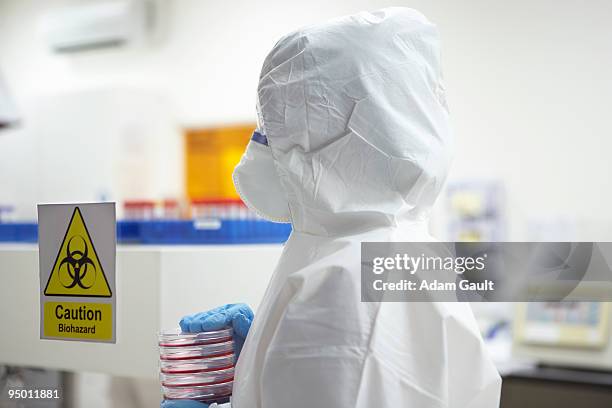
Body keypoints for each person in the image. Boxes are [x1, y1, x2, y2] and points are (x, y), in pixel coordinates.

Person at [163, 7, 501, 408]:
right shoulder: (384, 248)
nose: (260, 141)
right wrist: (262, 359)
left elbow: (350, 369)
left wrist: (294, 349)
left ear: (330, 133)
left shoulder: (341, 282)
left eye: (274, 125)